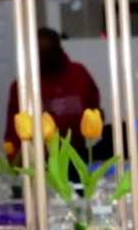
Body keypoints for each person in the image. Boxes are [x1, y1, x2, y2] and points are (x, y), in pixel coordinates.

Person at [6, 24, 105, 156]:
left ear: (59, 51)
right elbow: (14, 130)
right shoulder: (22, 86)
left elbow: (95, 110)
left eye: (49, 54)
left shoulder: (79, 73)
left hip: (78, 153)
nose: (46, 60)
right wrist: (15, 160)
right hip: (40, 160)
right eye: (41, 56)